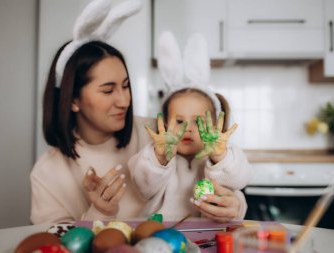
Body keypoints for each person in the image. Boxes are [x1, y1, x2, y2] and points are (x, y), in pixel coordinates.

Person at [30, 0, 152, 224]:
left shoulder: (154, 134)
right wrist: (99, 212)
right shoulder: (47, 173)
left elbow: (205, 179)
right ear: (74, 100)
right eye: (108, 90)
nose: (124, 100)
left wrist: (235, 201)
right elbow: (57, 246)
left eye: (125, 86)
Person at [128, 32, 252, 223]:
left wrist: (219, 156)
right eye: (179, 121)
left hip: (209, 236)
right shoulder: (154, 157)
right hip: (159, 236)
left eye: (198, 121)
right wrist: (160, 157)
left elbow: (239, 179)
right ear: (165, 124)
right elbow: (142, 185)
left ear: (214, 125)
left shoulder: (224, 157)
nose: (188, 129)